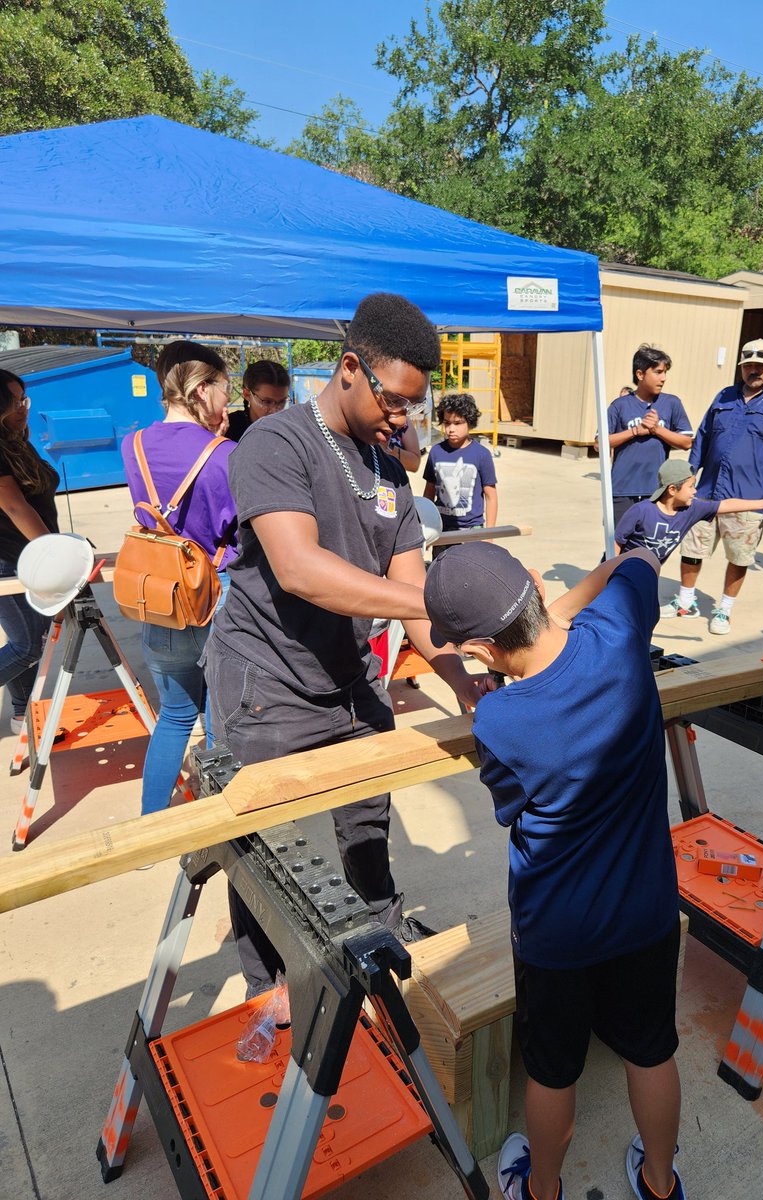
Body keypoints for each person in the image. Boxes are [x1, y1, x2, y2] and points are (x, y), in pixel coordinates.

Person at [203, 293, 485, 997]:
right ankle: (272, 995)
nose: (404, 420)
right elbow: (300, 570)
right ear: (352, 368)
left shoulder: (387, 471)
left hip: (351, 682)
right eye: (395, 402)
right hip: (269, 683)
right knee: (265, 855)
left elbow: (411, 594)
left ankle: (376, 949)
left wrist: (462, 680)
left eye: (414, 409)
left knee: (367, 824)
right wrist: (440, 601)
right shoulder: (277, 443)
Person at [424, 542, 684, 1200]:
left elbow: (514, 808)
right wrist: (639, 543)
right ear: (538, 584)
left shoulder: (500, 720)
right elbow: (636, 565)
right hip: (647, 910)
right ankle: (659, 1181)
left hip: (557, 936)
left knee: (552, 1069)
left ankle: (540, 1190)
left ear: (479, 650)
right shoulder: (619, 632)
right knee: (652, 1050)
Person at [121, 351, 238, 815]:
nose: (227, 402)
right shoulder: (227, 454)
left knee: (173, 714)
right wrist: (218, 443)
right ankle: (216, 818)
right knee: (218, 720)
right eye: (226, 390)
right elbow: (236, 527)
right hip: (216, 593)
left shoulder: (132, 446)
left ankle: (151, 825)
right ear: (201, 390)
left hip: (161, 592)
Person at [662, 338, 763, 635]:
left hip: (750, 498)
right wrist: (689, 479)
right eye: (749, 364)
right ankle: (686, 601)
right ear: (741, 367)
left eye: (761, 365)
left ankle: (724, 610)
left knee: (739, 556)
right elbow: (702, 438)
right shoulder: (724, 397)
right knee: (691, 548)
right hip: (707, 492)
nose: (754, 370)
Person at [0, 370, 60, 734]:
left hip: (30, 555)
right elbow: (14, 507)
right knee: (27, 646)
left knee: (28, 640)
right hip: (9, 560)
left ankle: (22, 714)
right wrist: (55, 551)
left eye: (24, 399)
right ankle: (22, 711)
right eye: (12, 401)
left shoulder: (16, 441)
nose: (22, 408)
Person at [615, 459, 763, 563]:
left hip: (649, 573)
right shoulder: (641, 511)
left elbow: (725, 505)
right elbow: (617, 542)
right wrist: (611, 571)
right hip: (621, 569)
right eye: (691, 486)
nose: (695, 491)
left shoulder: (692, 509)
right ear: (672, 489)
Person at [606, 345, 693, 528]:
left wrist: (657, 429)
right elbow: (600, 444)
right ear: (640, 374)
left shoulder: (672, 403)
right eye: (658, 372)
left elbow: (686, 442)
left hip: (657, 491)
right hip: (622, 490)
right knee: (618, 546)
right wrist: (634, 432)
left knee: (648, 546)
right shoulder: (620, 405)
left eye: (665, 372)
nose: (664, 378)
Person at [423, 392, 498, 548]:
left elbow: (491, 496)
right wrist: (427, 527)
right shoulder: (436, 452)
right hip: (441, 530)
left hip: (472, 531)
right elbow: (429, 493)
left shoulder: (482, 455)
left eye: (457, 423)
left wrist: (489, 534)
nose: (451, 429)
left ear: (469, 423)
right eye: (447, 423)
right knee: (443, 570)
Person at [225, 360, 291, 442]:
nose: (275, 410)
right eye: (267, 402)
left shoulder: (290, 429)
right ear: (247, 395)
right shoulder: (228, 428)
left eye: (282, 402)